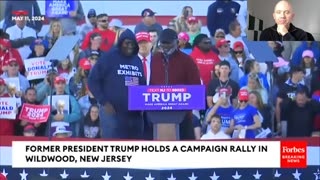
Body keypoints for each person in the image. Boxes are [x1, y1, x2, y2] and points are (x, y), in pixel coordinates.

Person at [88, 29, 146, 139]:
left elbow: (141, 83)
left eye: (132, 43)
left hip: (134, 116)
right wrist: (104, 102)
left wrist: (142, 105)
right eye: (127, 43)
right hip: (112, 112)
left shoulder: (137, 60)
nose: (130, 46)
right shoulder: (109, 57)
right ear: (120, 43)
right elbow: (92, 80)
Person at [149, 28, 201, 140]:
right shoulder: (154, 60)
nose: (166, 47)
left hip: (183, 115)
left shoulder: (187, 61)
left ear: (177, 43)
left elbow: (196, 87)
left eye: (169, 44)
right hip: (156, 114)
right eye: (163, 44)